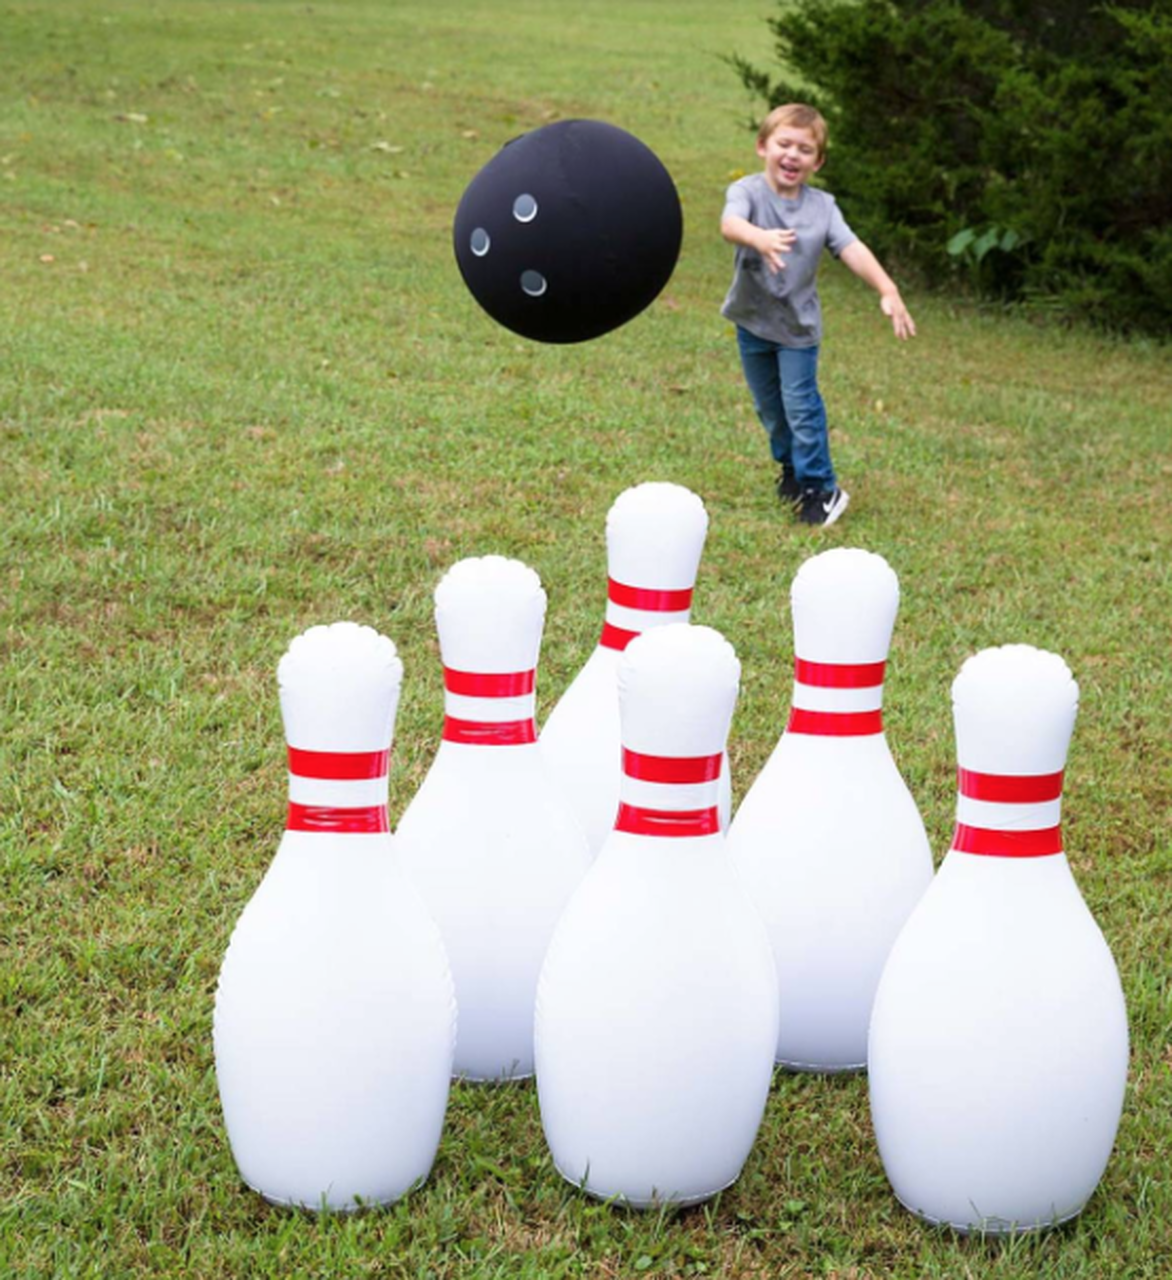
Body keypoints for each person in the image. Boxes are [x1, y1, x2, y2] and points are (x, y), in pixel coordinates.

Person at [720, 103, 915, 526]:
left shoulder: (822, 208)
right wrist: (761, 238)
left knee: (801, 406)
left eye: (804, 149)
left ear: (818, 161)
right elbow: (730, 224)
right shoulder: (748, 192)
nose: (792, 155)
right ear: (762, 146)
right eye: (783, 144)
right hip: (752, 323)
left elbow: (851, 247)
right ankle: (790, 470)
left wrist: (887, 288)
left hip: (797, 332)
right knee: (770, 408)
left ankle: (821, 488)